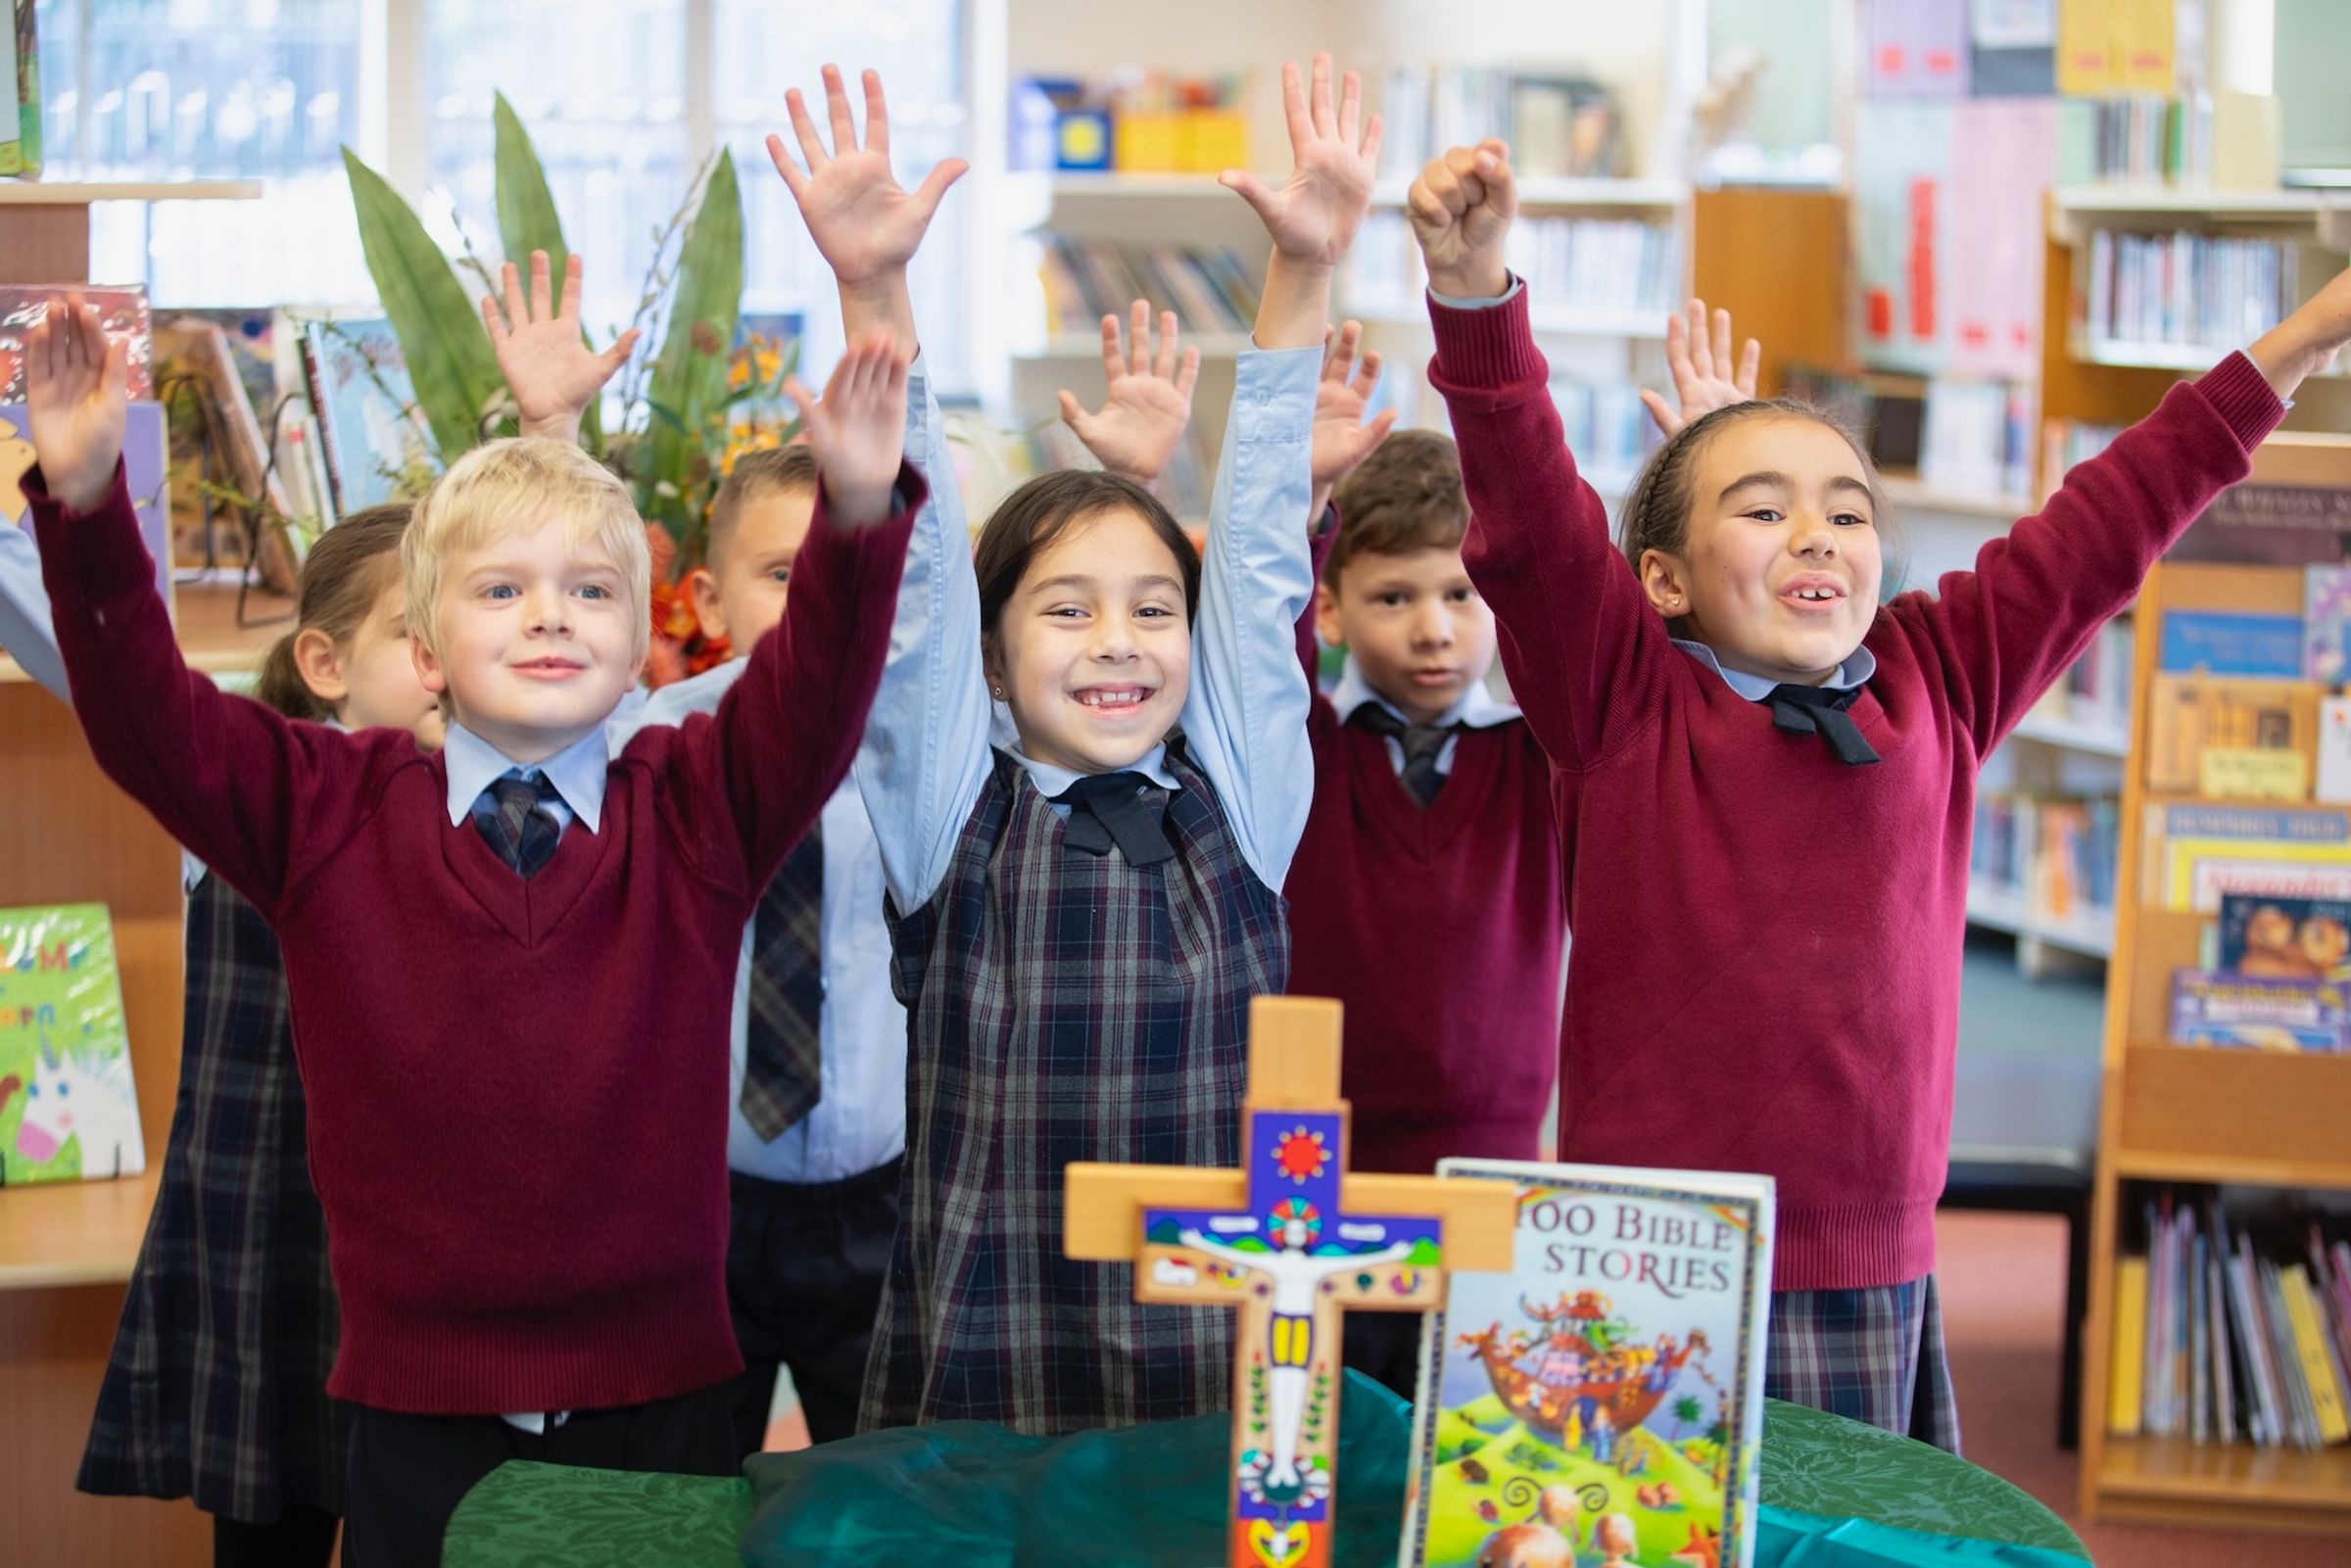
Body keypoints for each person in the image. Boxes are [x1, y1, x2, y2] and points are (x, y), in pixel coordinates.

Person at [1403, 134, 2351, 1449]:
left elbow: (2117, 511)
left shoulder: (1938, 672)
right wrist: (1475, 291)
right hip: (1646, 1253)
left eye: (1846, 513)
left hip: (1866, 1255)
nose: (1817, 537)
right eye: (1764, 508)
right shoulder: (1620, 693)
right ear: (1664, 579)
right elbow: (1526, 505)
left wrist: (2310, 331)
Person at [20, 271, 922, 1560]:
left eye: (591, 593)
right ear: (426, 650)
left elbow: (822, 688)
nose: (550, 611)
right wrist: (94, 501)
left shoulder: (696, 808)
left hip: (656, 1398)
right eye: (500, 590)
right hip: (414, 1408)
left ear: (640, 644)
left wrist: (856, 513)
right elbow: (145, 716)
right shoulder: (325, 809)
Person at [790, 54, 1374, 1434]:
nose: (1118, 640)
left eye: (1151, 611)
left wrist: (1304, 274)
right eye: (1067, 610)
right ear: (996, 663)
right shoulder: (952, 805)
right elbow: (922, 584)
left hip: (1211, 1333)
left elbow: (1259, 559)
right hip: (993, 1337)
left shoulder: (1242, 790)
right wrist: (874, 292)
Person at [6, 503, 435, 1567]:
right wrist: (75, 481)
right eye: (412, 632)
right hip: (276, 1230)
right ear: (326, 662)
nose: (448, 662)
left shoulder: (501, 793)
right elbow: (91, 648)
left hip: (426, 1244)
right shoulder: (250, 780)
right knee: (268, 1527)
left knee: (424, 1517)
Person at [1280, 325, 1562, 1398]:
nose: (1435, 629)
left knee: (1472, 1441)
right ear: (1335, 606)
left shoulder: (1544, 759)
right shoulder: (1306, 746)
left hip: (1494, 1173)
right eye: (1395, 598)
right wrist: (1302, 501)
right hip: (1318, 1174)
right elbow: (1263, 646)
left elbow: (1565, 613)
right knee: (1325, 1433)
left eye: (1462, 596)